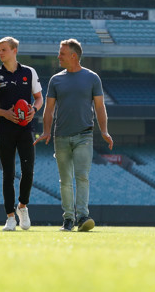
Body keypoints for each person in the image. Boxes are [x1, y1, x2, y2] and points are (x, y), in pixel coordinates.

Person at [35, 39, 113, 232]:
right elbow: (49, 109)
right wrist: (46, 131)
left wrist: (104, 131)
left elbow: (100, 107)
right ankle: (68, 219)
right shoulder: (56, 80)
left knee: (82, 177)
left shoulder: (92, 78)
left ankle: (83, 216)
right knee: (65, 181)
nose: (58, 56)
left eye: (62, 53)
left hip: (84, 136)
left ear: (73, 56)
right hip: (60, 137)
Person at [0, 37, 43, 231]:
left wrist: (35, 109)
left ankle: (22, 207)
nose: (0, 53)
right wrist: (5, 113)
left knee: (28, 171)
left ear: (14, 50)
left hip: (26, 129)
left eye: (4, 50)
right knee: (8, 174)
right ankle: (10, 217)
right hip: (5, 130)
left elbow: (39, 97)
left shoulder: (29, 72)